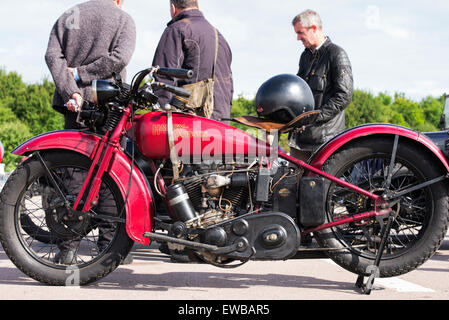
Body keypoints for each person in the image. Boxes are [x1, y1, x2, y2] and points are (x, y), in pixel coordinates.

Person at [44, 0, 136, 265]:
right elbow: (120, 58)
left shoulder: (70, 14)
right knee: (111, 173)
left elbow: (52, 56)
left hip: (75, 106)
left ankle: (68, 249)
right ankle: (111, 247)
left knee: (75, 172)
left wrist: (71, 86)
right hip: (110, 106)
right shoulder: (123, 19)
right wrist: (86, 74)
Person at [152, 0, 234, 121]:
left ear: (173, 8)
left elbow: (163, 79)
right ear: (197, 6)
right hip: (221, 126)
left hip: (189, 125)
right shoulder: (221, 38)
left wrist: (158, 120)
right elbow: (229, 88)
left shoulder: (177, 29)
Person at [289, 9, 353, 162]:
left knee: (320, 185)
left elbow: (344, 96)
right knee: (292, 183)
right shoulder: (305, 56)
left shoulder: (337, 54)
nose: (298, 38)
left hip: (324, 142)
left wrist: (314, 118)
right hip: (300, 140)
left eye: (300, 32)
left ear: (314, 28)